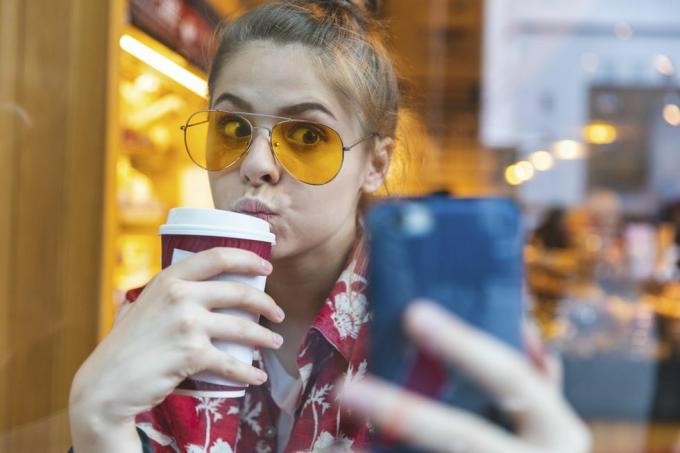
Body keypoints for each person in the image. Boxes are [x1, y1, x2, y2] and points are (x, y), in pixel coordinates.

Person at [68, 1, 590, 452]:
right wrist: (96, 425)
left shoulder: (427, 333)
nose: (256, 164)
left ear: (377, 164)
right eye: (231, 127)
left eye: (306, 137)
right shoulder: (165, 316)